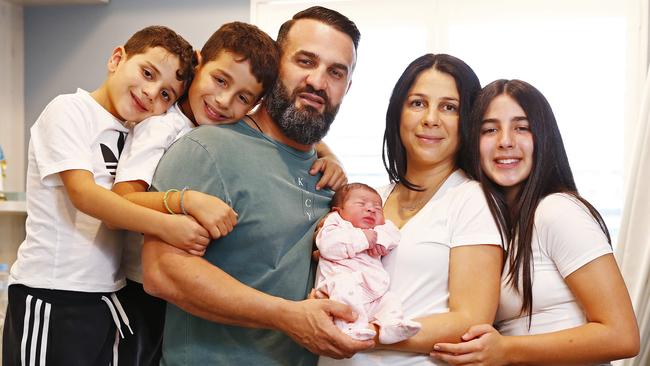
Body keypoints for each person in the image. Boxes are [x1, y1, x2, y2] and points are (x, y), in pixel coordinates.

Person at [141, 6, 373, 365]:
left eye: (336, 72)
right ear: (276, 66)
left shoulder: (329, 177)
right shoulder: (207, 147)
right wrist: (286, 316)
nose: (317, 81)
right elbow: (162, 272)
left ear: (347, 87)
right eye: (305, 61)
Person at [3, 26, 203, 366]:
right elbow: (86, 195)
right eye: (147, 72)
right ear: (116, 59)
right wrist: (168, 225)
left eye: (167, 94)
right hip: (53, 293)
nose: (152, 92)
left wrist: (323, 151)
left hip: (105, 297)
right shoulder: (69, 109)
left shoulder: (137, 131)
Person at [429, 79, 640, 364]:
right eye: (490, 129)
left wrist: (506, 349)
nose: (505, 141)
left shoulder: (557, 211)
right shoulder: (493, 226)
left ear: (543, 138)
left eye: (522, 128)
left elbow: (622, 336)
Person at [320, 53, 503, 366]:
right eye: (418, 103)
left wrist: (368, 334)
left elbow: (470, 321)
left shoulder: (472, 200)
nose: (430, 118)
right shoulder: (369, 199)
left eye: (449, 107)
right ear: (398, 113)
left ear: (467, 121)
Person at [315, 183, 421, 343]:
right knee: (345, 286)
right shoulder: (335, 225)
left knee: (390, 299)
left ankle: (391, 327)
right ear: (338, 211)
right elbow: (328, 247)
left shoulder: (378, 229)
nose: (371, 209)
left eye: (378, 208)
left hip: (374, 293)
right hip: (338, 289)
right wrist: (363, 239)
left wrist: (379, 240)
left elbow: (393, 234)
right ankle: (350, 328)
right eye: (362, 204)